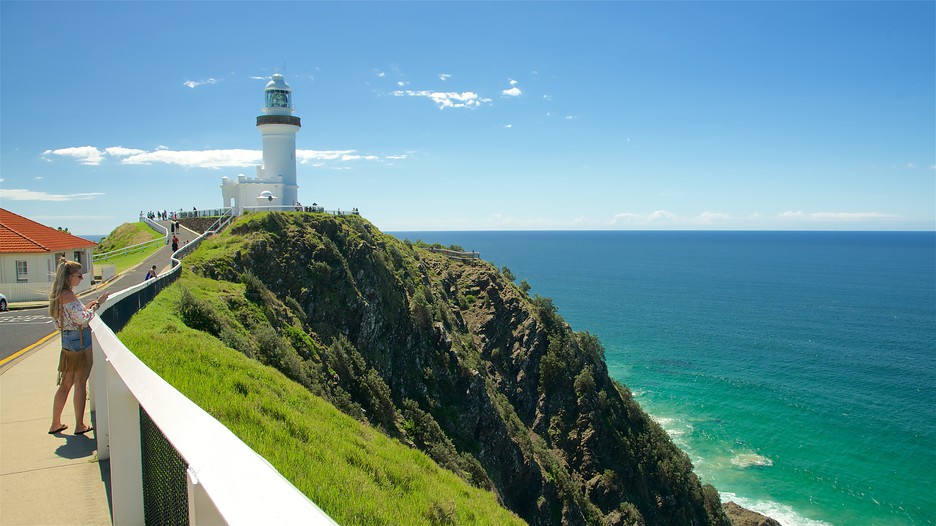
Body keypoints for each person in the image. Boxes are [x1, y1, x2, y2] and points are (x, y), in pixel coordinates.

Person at [48, 258, 109, 435]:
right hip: (79, 340)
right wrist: (98, 304)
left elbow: (67, 318)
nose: (81, 279)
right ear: (69, 277)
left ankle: (55, 423)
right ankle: (80, 425)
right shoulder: (68, 295)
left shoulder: (58, 295)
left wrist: (90, 305)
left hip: (67, 340)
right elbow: (82, 319)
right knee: (80, 382)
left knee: (65, 383)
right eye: (78, 275)